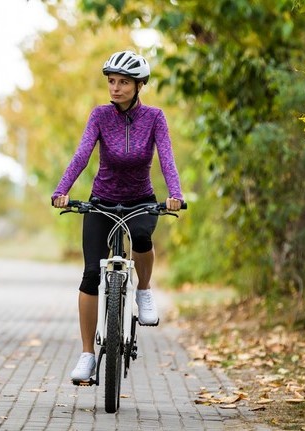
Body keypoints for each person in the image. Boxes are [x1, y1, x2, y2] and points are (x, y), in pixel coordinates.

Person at [51, 50, 184, 382]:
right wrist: (62, 188)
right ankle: (87, 356)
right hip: (102, 202)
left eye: (123, 82)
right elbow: (82, 153)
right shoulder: (99, 116)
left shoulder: (155, 117)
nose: (115, 88)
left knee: (141, 236)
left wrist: (175, 195)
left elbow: (166, 156)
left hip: (141, 200)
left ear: (139, 85)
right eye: (111, 81)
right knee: (89, 275)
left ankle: (144, 290)